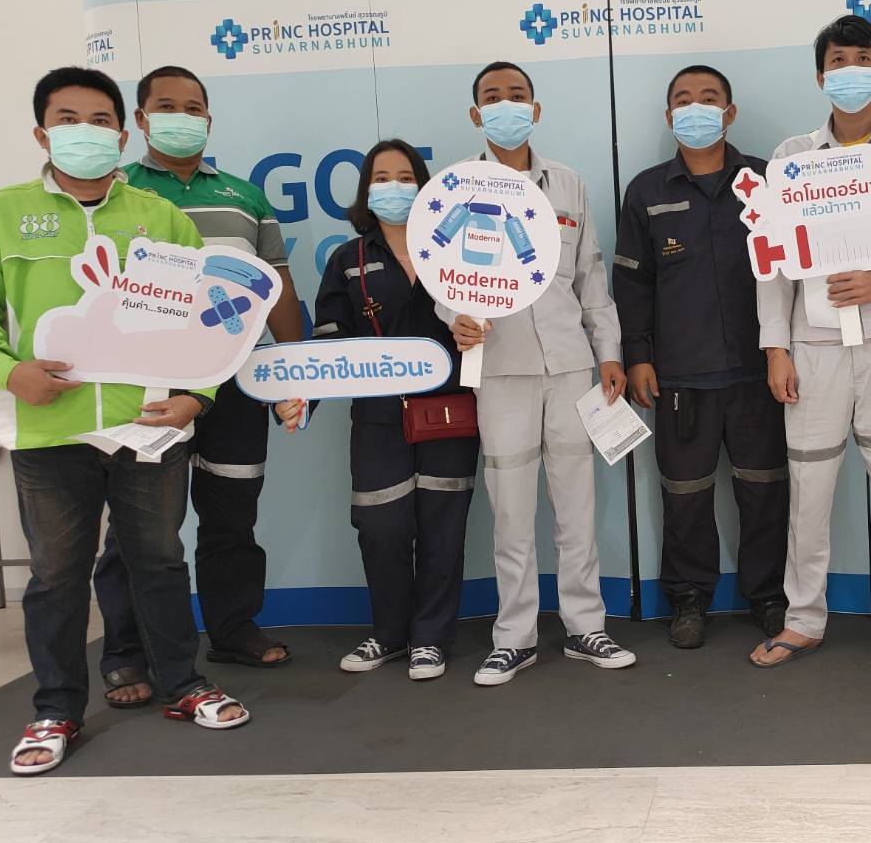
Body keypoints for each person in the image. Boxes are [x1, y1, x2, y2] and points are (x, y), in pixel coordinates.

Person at [0, 66, 249, 776]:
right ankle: (55, 708)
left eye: (99, 121)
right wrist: (7, 371)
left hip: (147, 426)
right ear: (42, 133)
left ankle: (183, 684)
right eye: (68, 119)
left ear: (122, 136)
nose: (84, 132)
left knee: (159, 561)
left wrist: (197, 396)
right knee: (56, 576)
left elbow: (208, 322)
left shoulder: (161, 218)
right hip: (48, 430)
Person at [90, 65, 304, 709]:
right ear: (140, 119)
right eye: (166, 106)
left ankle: (233, 630)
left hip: (235, 382)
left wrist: (295, 367)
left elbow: (277, 286)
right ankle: (127, 653)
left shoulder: (246, 197)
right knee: (136, 529)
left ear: (208, 119)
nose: (181, 118)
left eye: (193, 108)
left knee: (233, 513)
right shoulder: (116, 190)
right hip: (149, 385)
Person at [750, 15, 871, 672]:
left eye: (862, 59)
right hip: (812, 343)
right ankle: (803, 618)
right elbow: (772, 262)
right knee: (808, 490)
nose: (850, 71)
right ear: (820, 76)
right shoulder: (791, 157)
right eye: (838, 61)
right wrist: (776, 348)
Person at [445, 61, 636, 685]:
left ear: (536, 108)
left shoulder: (568, 184)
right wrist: (455, 318)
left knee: (577, 506)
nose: (506, 105)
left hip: (572, 366)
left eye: (517, 95)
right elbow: (442, 276)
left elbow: (592, 277)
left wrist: (609, 353)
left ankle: (586, 627)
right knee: (511, 512)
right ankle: (515, 637)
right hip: (500, 371)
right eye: (492, 97)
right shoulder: (458, 188)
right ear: (476, 113)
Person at [275, 140, 478, 681]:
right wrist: (302, 396)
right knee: (381, 527)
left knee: (443, 529)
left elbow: (488, 318)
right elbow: (329, 345)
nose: (394, 187)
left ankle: (430, 639)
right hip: (378, 418)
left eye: (405, 177)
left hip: (450, 413)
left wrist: (476, 331)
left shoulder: (456, 251)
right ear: (366, 190)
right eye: (381, 178)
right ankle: (389, 635)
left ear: (425, 185)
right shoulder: (348, 260)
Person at [613, 65, 788, 648]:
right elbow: (632, 284)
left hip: (757, 371)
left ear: (729, 112)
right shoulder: (646, 191)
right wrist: (638, 356)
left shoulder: (765, 181)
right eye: (683, 100)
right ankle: (688, 600)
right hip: (680, 377)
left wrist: (784, 349)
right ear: (669, 117)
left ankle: (769, 596)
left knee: (764, 489)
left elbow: (790, 271)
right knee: (684, 495)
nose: (696, 108)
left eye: (709, 98)